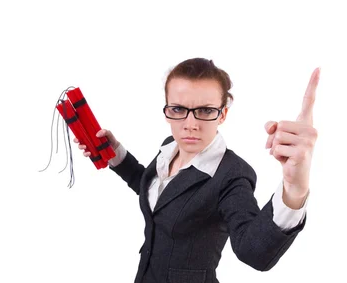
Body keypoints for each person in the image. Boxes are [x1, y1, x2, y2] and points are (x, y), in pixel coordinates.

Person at [74, 58, 318, 283]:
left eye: (205, 110)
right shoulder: (169, 147)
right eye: (178, 110)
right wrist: (114, 152)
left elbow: (253, 251)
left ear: (222, 114)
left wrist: (295, 188)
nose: (190, 125)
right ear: (168, 110)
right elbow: (153, 191)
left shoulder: (232, 174)